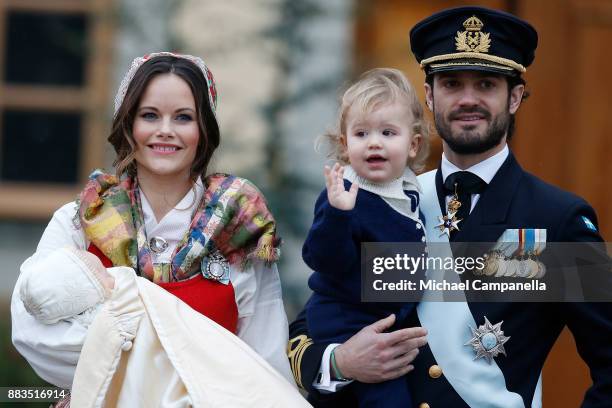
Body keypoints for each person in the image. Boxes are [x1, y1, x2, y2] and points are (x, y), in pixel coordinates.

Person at [288, 6, 610, 407]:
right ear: (429, 95)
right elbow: (313, 321)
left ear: (514, 97)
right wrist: (341, 363)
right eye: (452, 83)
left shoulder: (556, 220)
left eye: (487, 85)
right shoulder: (379, 201)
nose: (468, 100)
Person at [11, 52, 307, 406]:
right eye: (150, 115)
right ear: (128, 125)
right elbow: (33, 335)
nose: (165, 130)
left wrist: (119, 351)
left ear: (204, 131)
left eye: (183, 117)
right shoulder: (80, 220)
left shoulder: (238, 228)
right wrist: (193, 367)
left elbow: (264, 364)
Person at [302, 68, 429, 407]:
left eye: (388, 132)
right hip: (346, 320)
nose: (374, 142)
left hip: (385, 320)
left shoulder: (411, 189)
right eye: (361, 133)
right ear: (345, 144)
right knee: (388, 398)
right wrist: (338, 215)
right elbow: (324, 259)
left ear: (413, 144)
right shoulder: (344, 194)